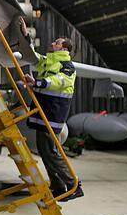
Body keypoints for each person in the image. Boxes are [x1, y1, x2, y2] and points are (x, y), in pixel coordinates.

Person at [19, 18, 84, 202]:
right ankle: (57, 186)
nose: (52, 43)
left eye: (56, 43)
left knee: (52, 152)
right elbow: (32, 56)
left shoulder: (67, 67)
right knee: (44, 150)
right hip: (43, 113)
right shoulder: (48, 61)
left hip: (52, 116)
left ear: (64, 49)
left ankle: (73, 185)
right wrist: (25, 35)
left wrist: (37, 82)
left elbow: (58, 82)